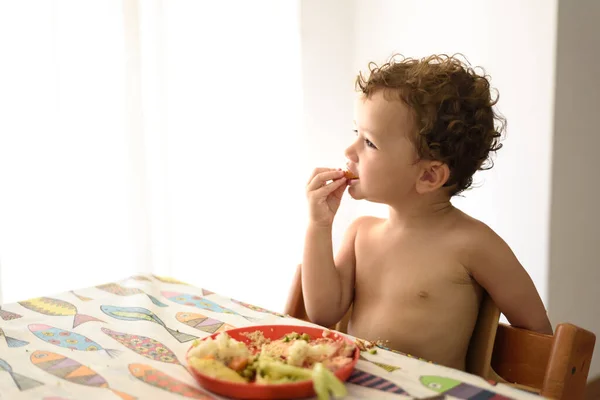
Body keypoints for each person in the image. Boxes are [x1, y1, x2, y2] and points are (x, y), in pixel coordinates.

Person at [301, 54, 552, 370]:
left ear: (429, 176)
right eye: (356, 134)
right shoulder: (360, 233)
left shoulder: (474, 244)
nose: (350, 152)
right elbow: (322, 313)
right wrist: (318, 224)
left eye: (370, 142)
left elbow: (538, 335)